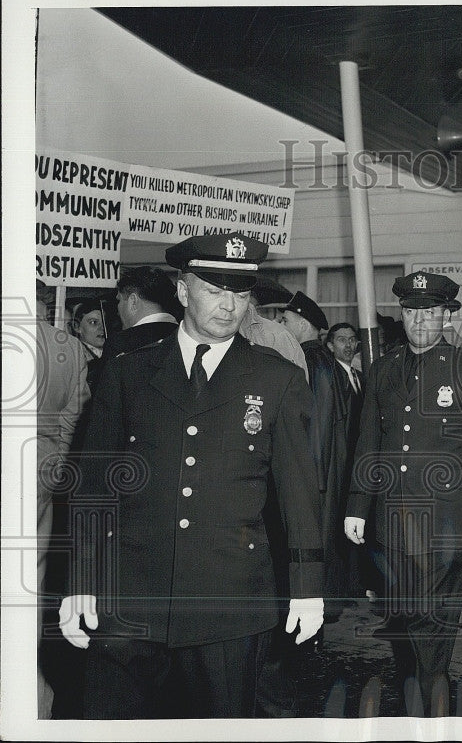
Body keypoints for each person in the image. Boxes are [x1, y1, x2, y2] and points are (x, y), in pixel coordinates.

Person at [59, 233, 324, 718]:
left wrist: (308, 588)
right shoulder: (128, 372)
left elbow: (300, 495)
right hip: (130, 598)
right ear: (183, 291)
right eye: (214, 291)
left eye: (240, 295)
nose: (229, 307)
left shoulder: (276, 379)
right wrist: (81, 577)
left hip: (229, 605)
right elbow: (94, 484)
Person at [344, 271, 462, 716]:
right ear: (401, 314)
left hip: (446, 520)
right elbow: (367, 444)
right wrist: (357, 506)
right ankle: (421, 689)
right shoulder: (383, 368)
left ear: (445, 315)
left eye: (429, 312)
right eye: (411, 312)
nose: (418, 321)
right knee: (406, 614)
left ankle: (434, 702)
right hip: (391, 517)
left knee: (431, 617)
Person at [35, 280, 91, 719]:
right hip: (45, 471)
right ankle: (34, 692)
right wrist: (56, 461)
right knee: (30, 584)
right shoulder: (67, 346)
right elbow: (75, 413)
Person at [317, 322, 370, 604]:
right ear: (329, 345)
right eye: (341, 340)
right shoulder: (329, 375)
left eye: (352, 340)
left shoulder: (359, 376)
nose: (348, 345)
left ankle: (352, 585)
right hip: (338, 463)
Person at [102, 267, 179, 360]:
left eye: (119, 300)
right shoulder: (185, 336)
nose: (118, 311)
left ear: (133, 301)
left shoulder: (120, 344)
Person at [280, 290, 331, 383]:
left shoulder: (310, 358)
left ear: (303, 325)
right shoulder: (318, 355)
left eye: (285, 321)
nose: (281, 325)